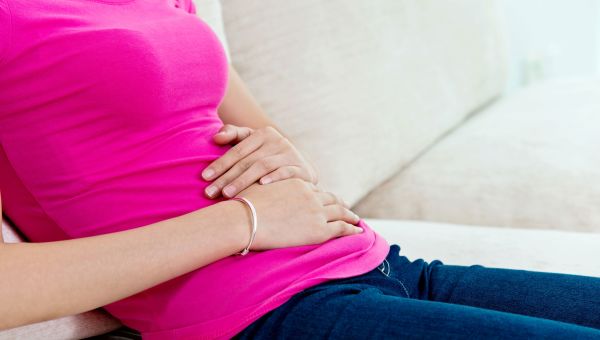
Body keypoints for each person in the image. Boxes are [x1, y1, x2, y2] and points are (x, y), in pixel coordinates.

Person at [0, 1, 598, 339]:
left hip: (378, 262)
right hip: (262, 316)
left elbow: (259, 133)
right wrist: (248, 221)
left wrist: (290, 163)